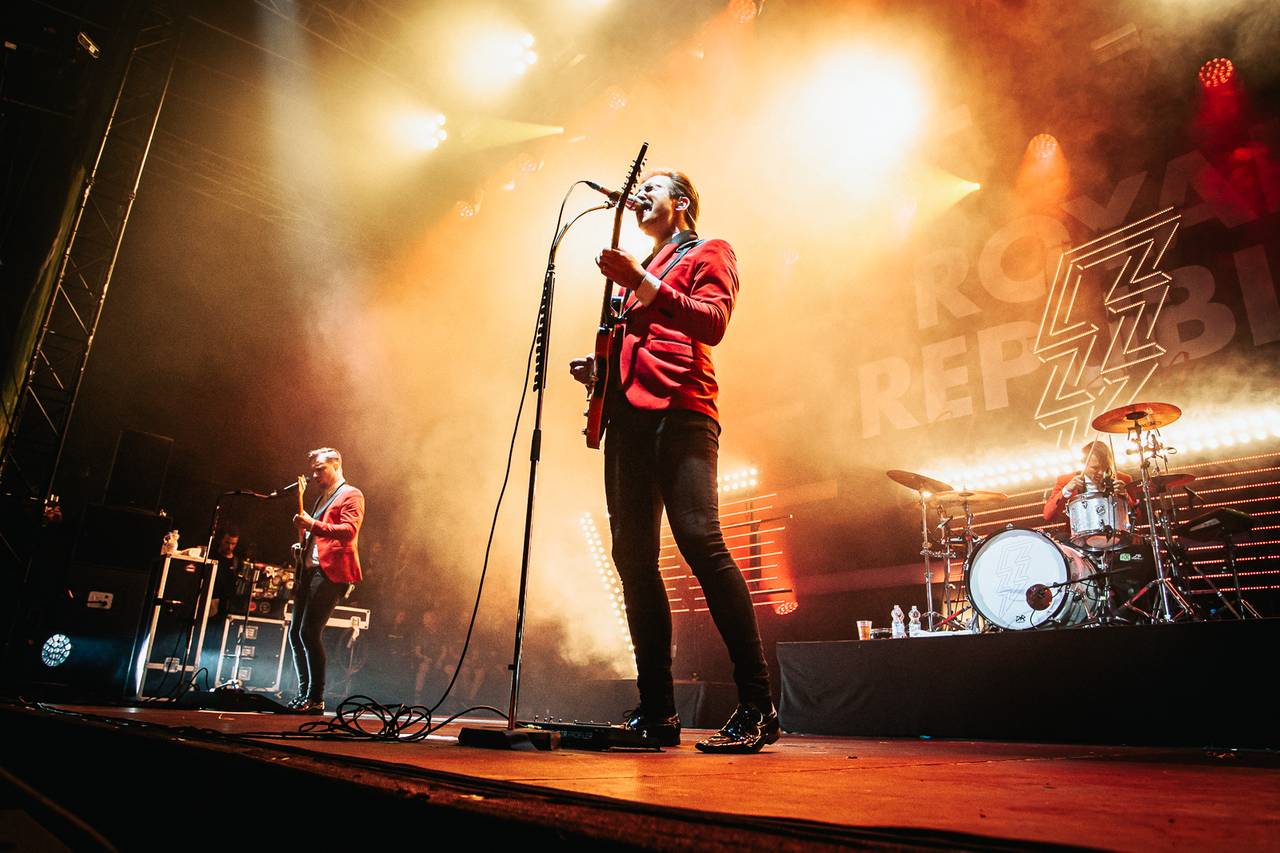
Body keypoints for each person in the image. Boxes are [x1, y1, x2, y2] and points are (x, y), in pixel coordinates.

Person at [569, 170, 778, 753]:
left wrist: (640, 282)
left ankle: (758, 704)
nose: (639, 196)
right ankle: (658, 710)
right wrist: (601, 369)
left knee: (701, 542)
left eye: (652, 188)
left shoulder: (708, 250)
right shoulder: (641, 268)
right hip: (627, 423)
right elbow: (642, 341)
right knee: (633, 560)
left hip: (682, 411)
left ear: (681, 203)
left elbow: (712, 322)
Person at [287, 447, 364, 714]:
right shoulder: (322, 498)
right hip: (309, 573)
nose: (315, 475)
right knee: (295, 634)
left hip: (330, 575)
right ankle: (303, 695)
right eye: (313, 471)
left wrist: (312, 525)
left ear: (336, 465)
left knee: (309, 632)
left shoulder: (351, 494)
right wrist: (304, 545)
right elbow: (319, 536)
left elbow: (349, 531)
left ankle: (316, 698)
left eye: (320, 469)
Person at [1042, 440, 1132, 524]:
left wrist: (1125, 496)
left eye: (1105, 466)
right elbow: (1048, 516)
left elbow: (1137, 518)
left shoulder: (1122, 479)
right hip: (1079, 534)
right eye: (1095, 468)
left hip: (1116, 532)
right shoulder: (1065, 480)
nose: (1101, 472)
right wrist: (1066, 490)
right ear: (1083, 463)